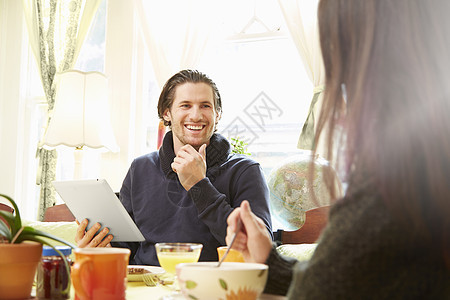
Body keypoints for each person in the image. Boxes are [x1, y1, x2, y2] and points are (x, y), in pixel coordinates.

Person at [226, 0, 450, 298]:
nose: (341, 114)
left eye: (346, 76)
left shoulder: (391, 197)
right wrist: (269, 262)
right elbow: (349, 281)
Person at [75, 69, 272, 265]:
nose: (195, 115)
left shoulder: (245, 170)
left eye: (205, 106)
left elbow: (259, 251)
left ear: (217, 114)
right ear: (166, 113)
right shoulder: (140, 168)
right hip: (146, 289)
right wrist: (99, 249)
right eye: (185, 105)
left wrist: (198, 184)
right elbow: (125, 247)